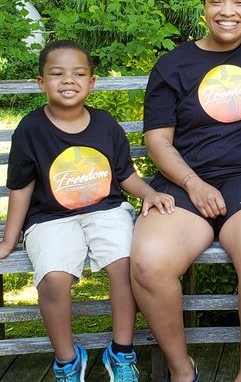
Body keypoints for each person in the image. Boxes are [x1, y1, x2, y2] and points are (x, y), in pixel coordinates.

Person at [130, 0, 241, 382]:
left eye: (238, 2)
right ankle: (183, 371)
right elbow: (158, 141)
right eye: (217, 1)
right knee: (149, 262)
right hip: (184, 178)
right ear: (203, 7)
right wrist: (192, 184)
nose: (227, 11)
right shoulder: (173, 65)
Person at [0, 40, 175, 382]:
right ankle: (67, 361)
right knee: (53, 277)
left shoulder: (105, 124)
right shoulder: (31, 130)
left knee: (124, 263)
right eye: (57, 74)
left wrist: (150, 193)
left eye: (79, 74)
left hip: (106, 210)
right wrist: (9, 240)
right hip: (50, 217)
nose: (69, 80)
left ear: (91, 82)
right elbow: (21, 187)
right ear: (41, 83)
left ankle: (121, 352)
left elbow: (124, 174)